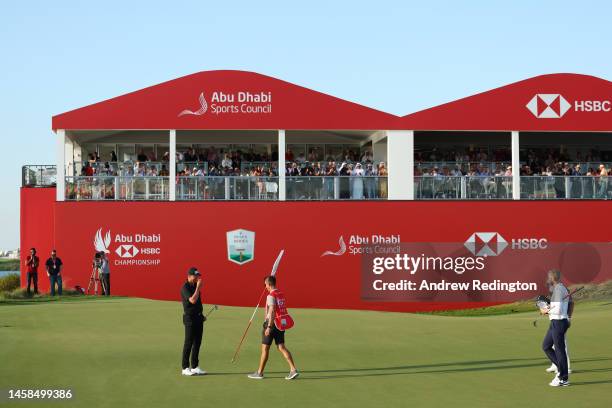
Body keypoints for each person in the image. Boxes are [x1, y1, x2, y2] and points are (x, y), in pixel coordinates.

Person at [248, 275, 299, 380]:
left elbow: (272, 311)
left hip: (272, 324)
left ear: (269, 284)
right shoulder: (280, 294)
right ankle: (293, 369)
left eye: (265, 284)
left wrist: (269, 327)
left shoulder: (270, 296)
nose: (265, 286)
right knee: (281, 347)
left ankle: (259, 373)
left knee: (265, 348)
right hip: (281, 324)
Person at [540, 269, 571, 387]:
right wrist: (548, 308)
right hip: (555, 322)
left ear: (553, 278)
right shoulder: (560, 288)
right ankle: (561, 368)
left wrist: (545, 310)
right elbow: (556, 307)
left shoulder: (559, 289)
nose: (548, 278)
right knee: (546, 346)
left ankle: (563, 378)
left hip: (559, 322)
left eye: (549, 276)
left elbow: (557, 310)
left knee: (559, 350)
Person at [180, 267, 206, 376]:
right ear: (189, 276)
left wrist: (201, 315)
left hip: (198, 318)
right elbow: (192, 300)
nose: (197, 278)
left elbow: (198, 304)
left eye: (198, 276)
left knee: (197, 343)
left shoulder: (195, 286)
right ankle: (185, 367)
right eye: (195, 276)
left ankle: (194, 366)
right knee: (188, 343)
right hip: (189, 318)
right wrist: (198, 288)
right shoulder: (185, 287)